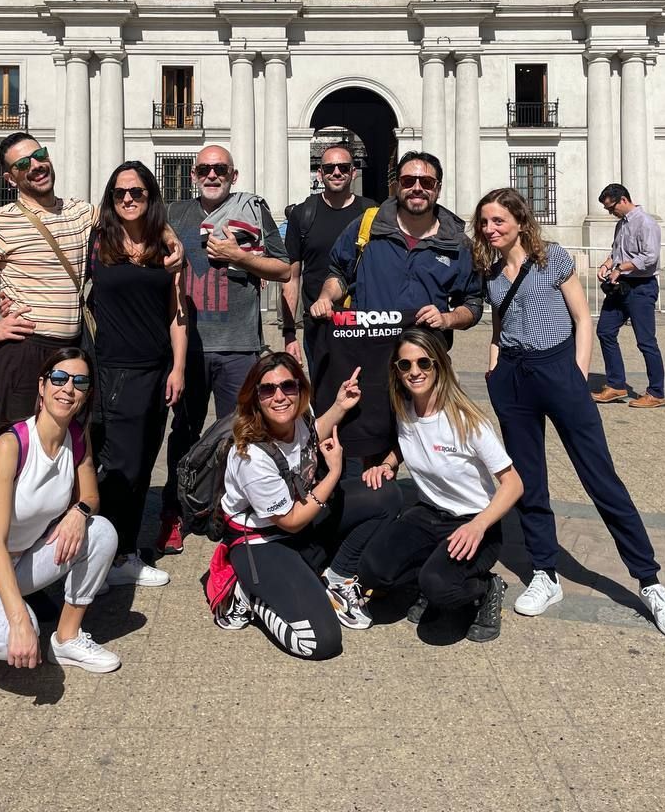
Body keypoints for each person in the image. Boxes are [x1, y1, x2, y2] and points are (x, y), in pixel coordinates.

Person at [473, 187, 665, 639]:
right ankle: (545, 573)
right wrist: (494, 367)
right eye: (485, 223)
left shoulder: (553, 256)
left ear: (518, 220)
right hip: (512, 377)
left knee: (600, 476)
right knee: (527, 480)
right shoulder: (489, 271)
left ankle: (649, 581)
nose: (491, 230)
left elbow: (583, 316)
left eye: (498, 221)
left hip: (558, 368)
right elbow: (498, 323)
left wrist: (576, 370)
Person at [0, 131, 183, 431]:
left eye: (39, 155)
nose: (36, 166)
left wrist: (169, 235)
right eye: (23, 164)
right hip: (27, 352)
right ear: (11, 178)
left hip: (74, 351)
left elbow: (133, 213)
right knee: (20, 447)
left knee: (70, 448)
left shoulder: (79, 212)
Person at [0, 348, 121, 687]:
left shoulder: (76, 437)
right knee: (17, 635)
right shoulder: (12, 444)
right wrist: (18, 620)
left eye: (79, 382)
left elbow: (90, 495)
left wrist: (79, 512)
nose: (68, 389)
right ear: (43, 386)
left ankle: (67, 639)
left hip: (17, 564)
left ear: (88, 391)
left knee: (101, 532)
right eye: (59, 379)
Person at [211, 352, 403, 660]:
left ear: (301, 389)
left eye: (288, 386)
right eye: (267, 389)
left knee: (386, 496)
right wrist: (335, 473)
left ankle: (338, 579)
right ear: (254, 397)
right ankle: (248, 596)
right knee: (321, 643)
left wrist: (340, 406)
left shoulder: (297, 417)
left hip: (300, 524)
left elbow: (310, 436)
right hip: (262, 541)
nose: (279, 396)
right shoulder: (250, 456)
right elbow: (290, 520)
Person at [308, 150, 483, 466]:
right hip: (368, 361)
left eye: (426, 181)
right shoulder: (367, 226)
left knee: (431, 449)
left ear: (437, 188)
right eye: (408, 180)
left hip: (424, 368)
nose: (417, 187)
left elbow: (473, 304)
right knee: (364, 452)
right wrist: (326, 297)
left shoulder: (457, 243)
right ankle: (368, 505)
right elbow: (337, 272)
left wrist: (447, 318)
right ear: (396, 186)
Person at [156, 145, 291, 554]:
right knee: (184, 432)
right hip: (189, 349)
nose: (212, 175)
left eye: (220, 169)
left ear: (233, 175)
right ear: (194, 174)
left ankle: (229, 511)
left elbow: (284, 268)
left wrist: (237, 256)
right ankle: (174, 513)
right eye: (204, 169)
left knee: (240, 436)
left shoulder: (252, 210)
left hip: (240, 347)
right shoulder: (174, 215)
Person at [357, 329, 522, 641]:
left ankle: (486, 588)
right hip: (428, 514)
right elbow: (408, 443)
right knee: (372, 570)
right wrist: (388, 464)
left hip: (474, 524)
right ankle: (429, 575)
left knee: (439, 590)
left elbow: (513, 484)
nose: (415, 371)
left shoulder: (467, 421)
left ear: (439, 366)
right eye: (405, 365)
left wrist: (479, 524)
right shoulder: (404, 410)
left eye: (424, 363)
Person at [88, 162, 187, 591]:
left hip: (157, 369)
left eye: (138, 192)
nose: (128, 199)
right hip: (114, 370)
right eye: (120, 193)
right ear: (110, 199)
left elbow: (178, 316)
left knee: (145, 461)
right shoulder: (95, 241)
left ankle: (122, 554)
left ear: (151, 197)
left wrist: (179, 368)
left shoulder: (166, 250)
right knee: (121, 467)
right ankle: (106, 557)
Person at [280, 144, 375, 375]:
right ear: (320, 173)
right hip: (319, 325)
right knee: (321, 399)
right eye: (329, 167)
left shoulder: (372, 212)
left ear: (353, 172)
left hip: (362, 324)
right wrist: (289, 333)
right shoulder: (302, 215)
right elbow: (292, 277)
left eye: (343, 167)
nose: (336, 172)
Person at [592, 183, 665, 409]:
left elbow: (650, 257)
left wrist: (621, 267)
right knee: (605, 330)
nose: (610, 212)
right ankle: (616, 385)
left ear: (623, 200)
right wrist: (607, 264)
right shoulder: (621, 225)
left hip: (642, 286)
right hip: (621, 285)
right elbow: (617, 250)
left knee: (645, 341)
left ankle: (656, 392)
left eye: (611, 207)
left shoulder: (646, 222)